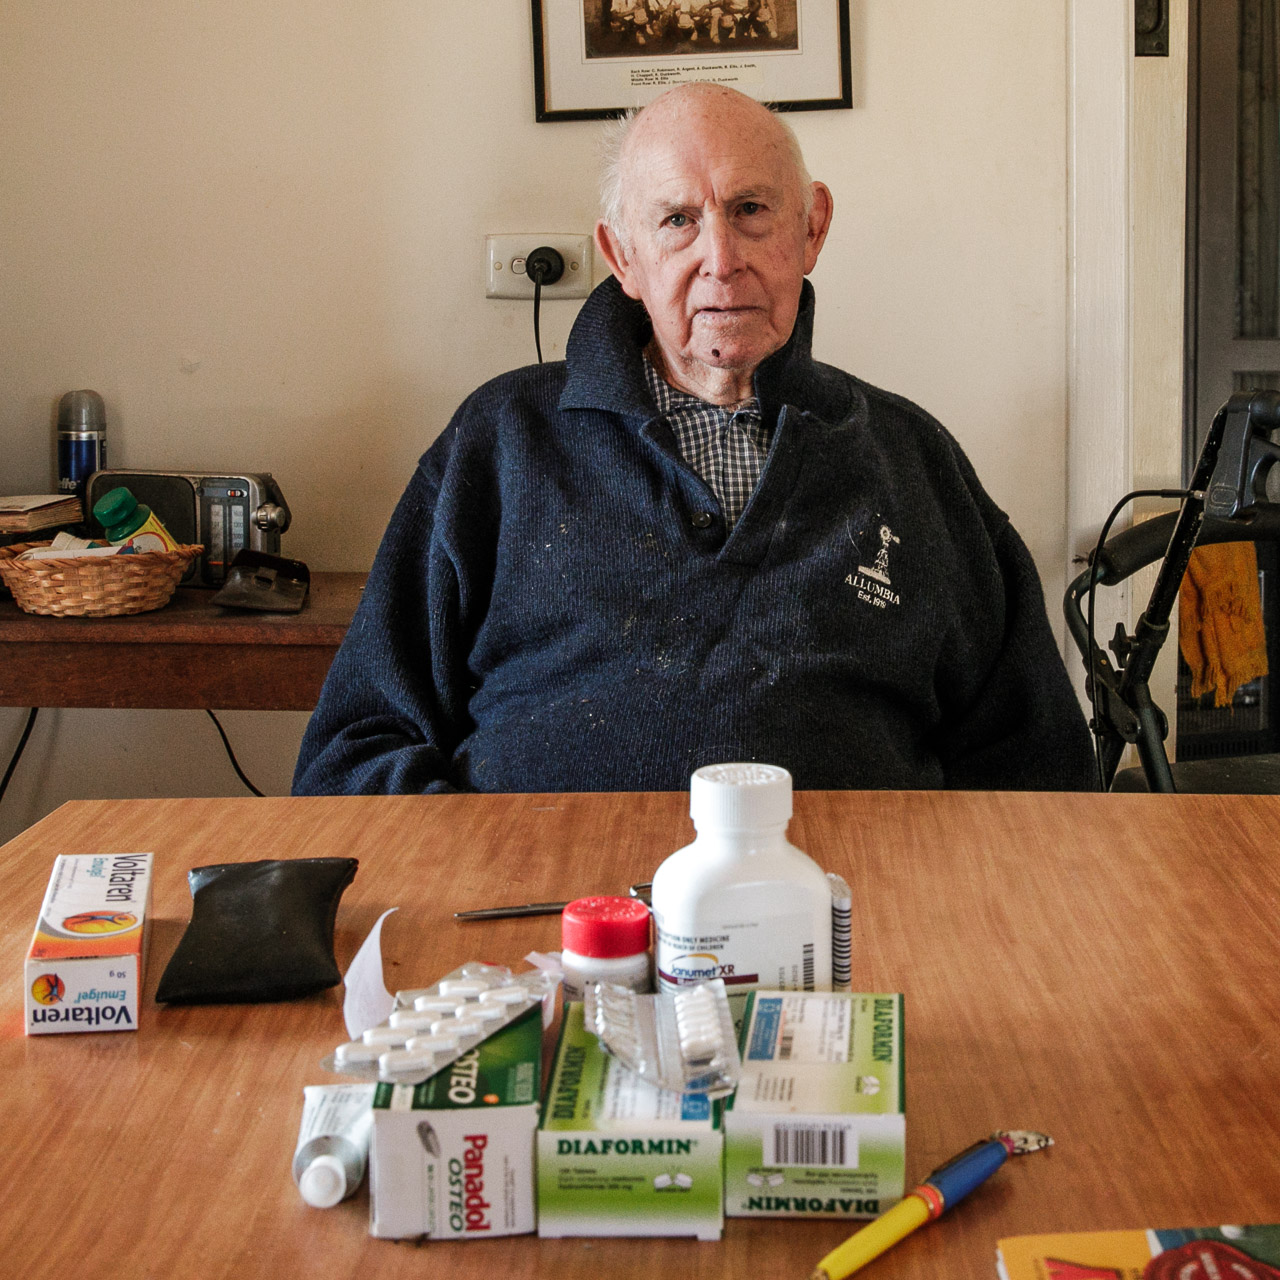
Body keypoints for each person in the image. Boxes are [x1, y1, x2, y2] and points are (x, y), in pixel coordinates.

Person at [293, 83, 1096, 797]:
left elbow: (1038, 769)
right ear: (623, 258)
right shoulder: (500, 443)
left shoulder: (909, 457)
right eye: (678, 220)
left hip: (847, 922)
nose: (721, 259)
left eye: (751, 211)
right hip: (553, 929)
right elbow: (354, 754)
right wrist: (497, 864)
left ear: (811, 228)